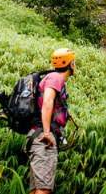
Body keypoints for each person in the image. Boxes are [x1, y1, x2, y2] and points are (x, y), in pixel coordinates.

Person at [27, 48, 75, 194]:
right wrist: (47, 132)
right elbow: (48, 101)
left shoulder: (51, 77)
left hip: (37, 136)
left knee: (37, 188)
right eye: (74, 62)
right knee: (43, 189)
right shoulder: (56, 78)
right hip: (44, 138)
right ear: (70, 63)